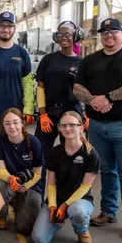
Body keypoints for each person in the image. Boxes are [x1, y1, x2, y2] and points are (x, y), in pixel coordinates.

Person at [73, 18, 122, 239]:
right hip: (97, 125)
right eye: (104, 32)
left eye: (113, 31)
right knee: (106, 170)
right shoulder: (90, 60)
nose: (108, 35)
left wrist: (107, 98)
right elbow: (77, 87)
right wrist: (94, 101)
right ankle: (108, 211)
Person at [0, 11, 34, 178]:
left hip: (15, 113)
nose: (6, 30)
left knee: (15, 151)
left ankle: (12, 193)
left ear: (14, 29)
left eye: (9, 26)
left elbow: (28, 83)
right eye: (2, 26)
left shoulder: (22, 53)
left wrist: (29, 109)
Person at [31, 111, 99, 243]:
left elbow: (85, 187)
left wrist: (64, 206)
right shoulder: (55, 152)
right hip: (57, 200)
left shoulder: (90, 154)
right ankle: (58, 221)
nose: (67, 129)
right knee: (39, 239)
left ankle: (82, 230)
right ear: (59, 129)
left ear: (81, 127)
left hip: (80, 200)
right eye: (64, 125)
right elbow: (50, 184)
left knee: (77, 212)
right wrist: (52, 207)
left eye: (72, 125)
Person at [35, 21, 84, 162]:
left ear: (76, 36)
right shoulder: (48, 60)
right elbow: (40, 88)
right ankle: (38, 183)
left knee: (72, 154)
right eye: (60, 34)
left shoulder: (82, 63)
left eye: (67, 34)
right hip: (49, 113)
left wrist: (87, 115)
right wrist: (43, 114)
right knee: (40, 153)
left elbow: (88, 91)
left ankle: (67, 183)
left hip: (72, 113)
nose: (63, 37)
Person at [0, 108, 44, 234]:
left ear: (22, 123)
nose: (12, 126)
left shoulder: (34, 142)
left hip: (29, 185)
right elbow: (0, 170)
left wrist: (25, 186)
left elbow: (38, 174)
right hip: (9, 182)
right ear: (3, 125)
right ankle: (1, 215)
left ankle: (17, 203)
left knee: (24, 228)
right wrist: (10, 178)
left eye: (15, 122)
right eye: (7, 123)